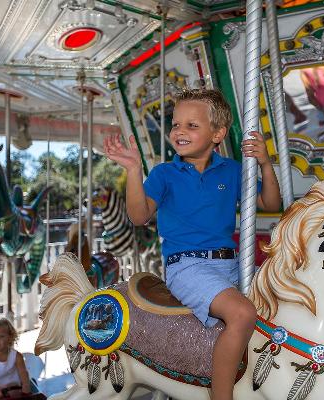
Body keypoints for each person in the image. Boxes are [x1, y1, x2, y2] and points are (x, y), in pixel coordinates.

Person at [104, 88, 281, 400]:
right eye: (176, 125)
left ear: (218, 134)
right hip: (188, 266)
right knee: (241, 314)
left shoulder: (232, 170)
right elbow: (138, 215)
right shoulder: (165, 174)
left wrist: (265, 164)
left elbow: (271, 203)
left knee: (281, 299)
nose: (179, 132)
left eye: (191, 125)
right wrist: (133, 170)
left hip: (231, 262)